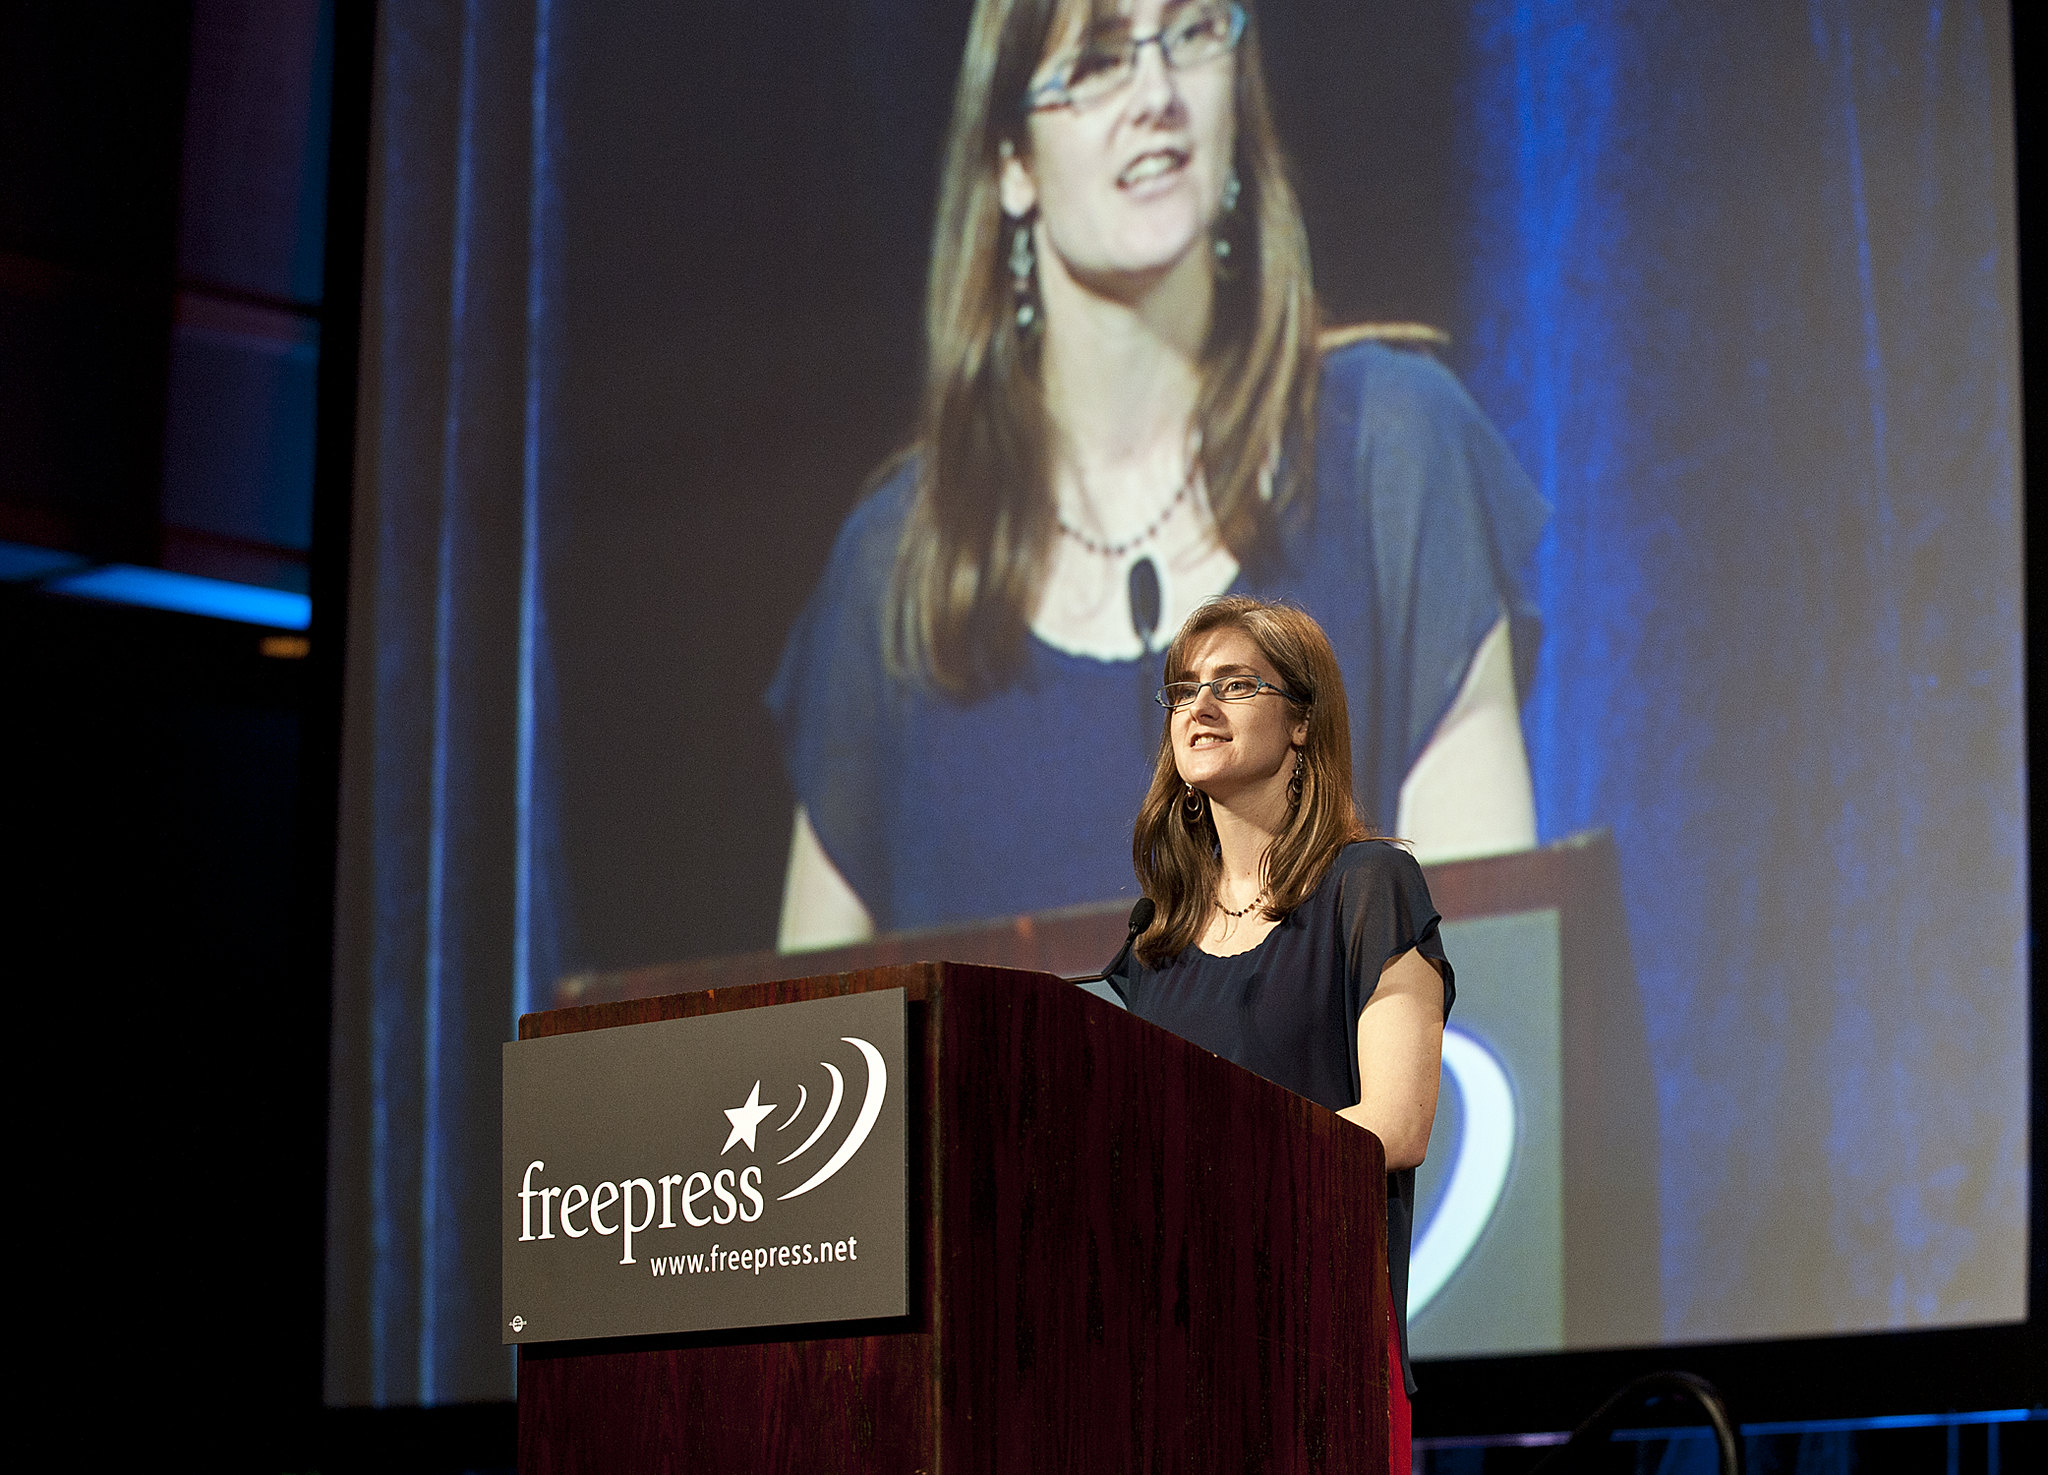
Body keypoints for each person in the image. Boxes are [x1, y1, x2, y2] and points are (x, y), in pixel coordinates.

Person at [769, 0, 1546, 949]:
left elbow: (1487, 996)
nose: (1156, 93)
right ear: (1013, 161)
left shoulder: (1397, 450)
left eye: (1189, 35)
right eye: (1097, 61)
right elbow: (807, 1048)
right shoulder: (897, 563)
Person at [1107, 593, 1449, 1469]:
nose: (1200, 707)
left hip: (1313, 1344)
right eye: (1185, 691)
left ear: (1301, 722)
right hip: (1164, 1358)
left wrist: (1220, 1157)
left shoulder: (1370, 886)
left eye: (1235, 684)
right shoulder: (1154, 941)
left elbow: (1399, 1124)